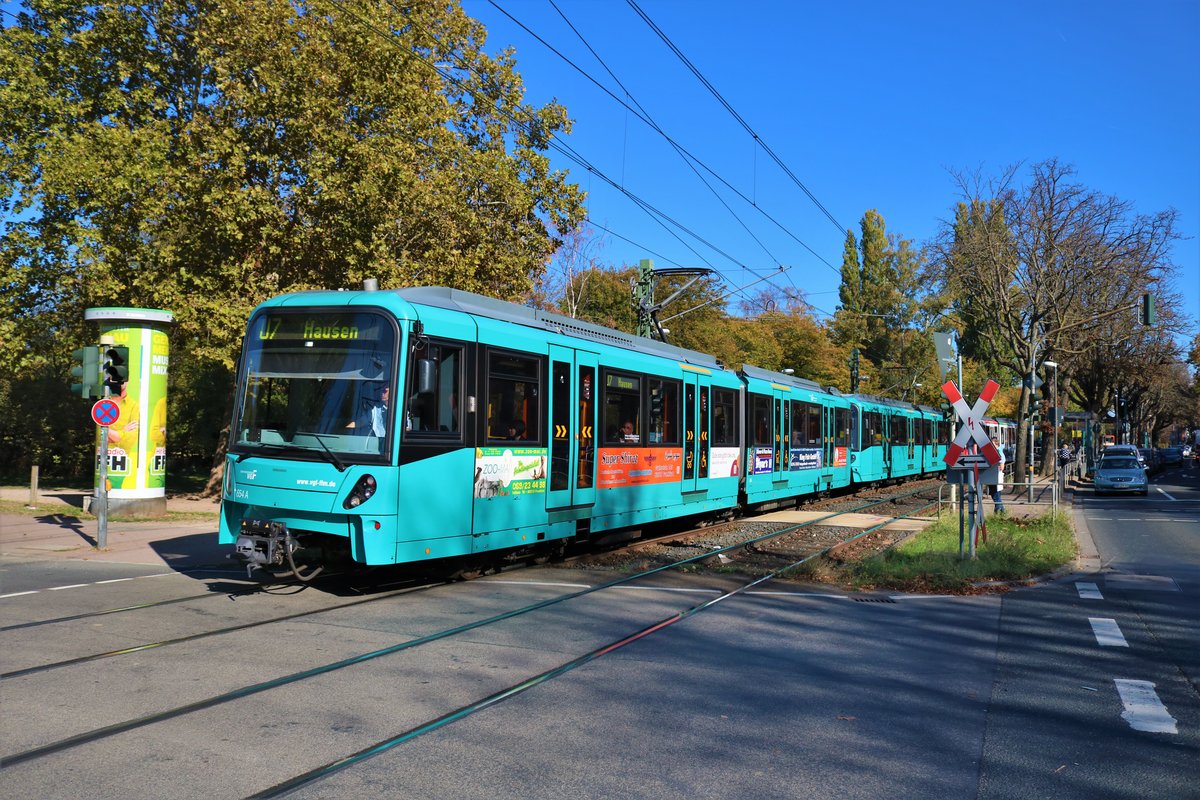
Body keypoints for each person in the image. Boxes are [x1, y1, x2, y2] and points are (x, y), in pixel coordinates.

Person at [990, 435, 1006, 513]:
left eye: (992, 444)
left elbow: (1002, 467)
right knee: (996, 495)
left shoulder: (1000, 453)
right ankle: (1001, 511)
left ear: (996, 444)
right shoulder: (997, 452)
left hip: (996, 477)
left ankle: (999, 511)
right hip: (992, 476)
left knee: (995, 495)